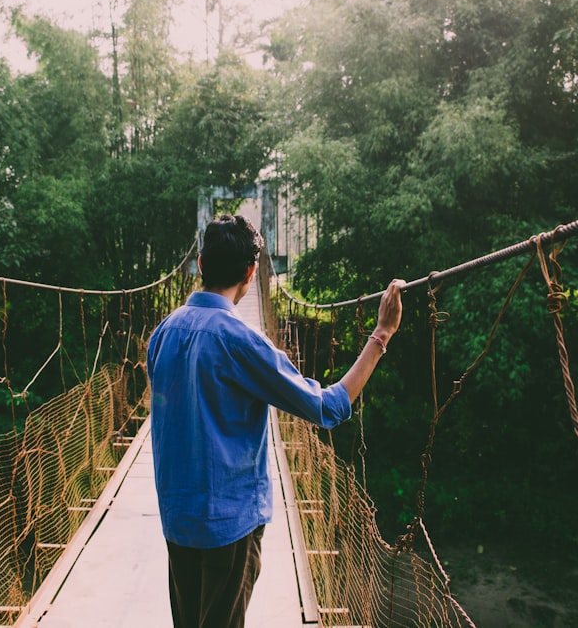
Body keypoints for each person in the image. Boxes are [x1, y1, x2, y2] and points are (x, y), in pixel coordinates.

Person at [146, 214, 404, 628]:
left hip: (177, 519)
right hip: (228, 526)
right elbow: (328, 408)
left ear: (198, 263)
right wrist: (381, 336)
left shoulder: (163, 333)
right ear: (252, 271)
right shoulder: (242, 342)